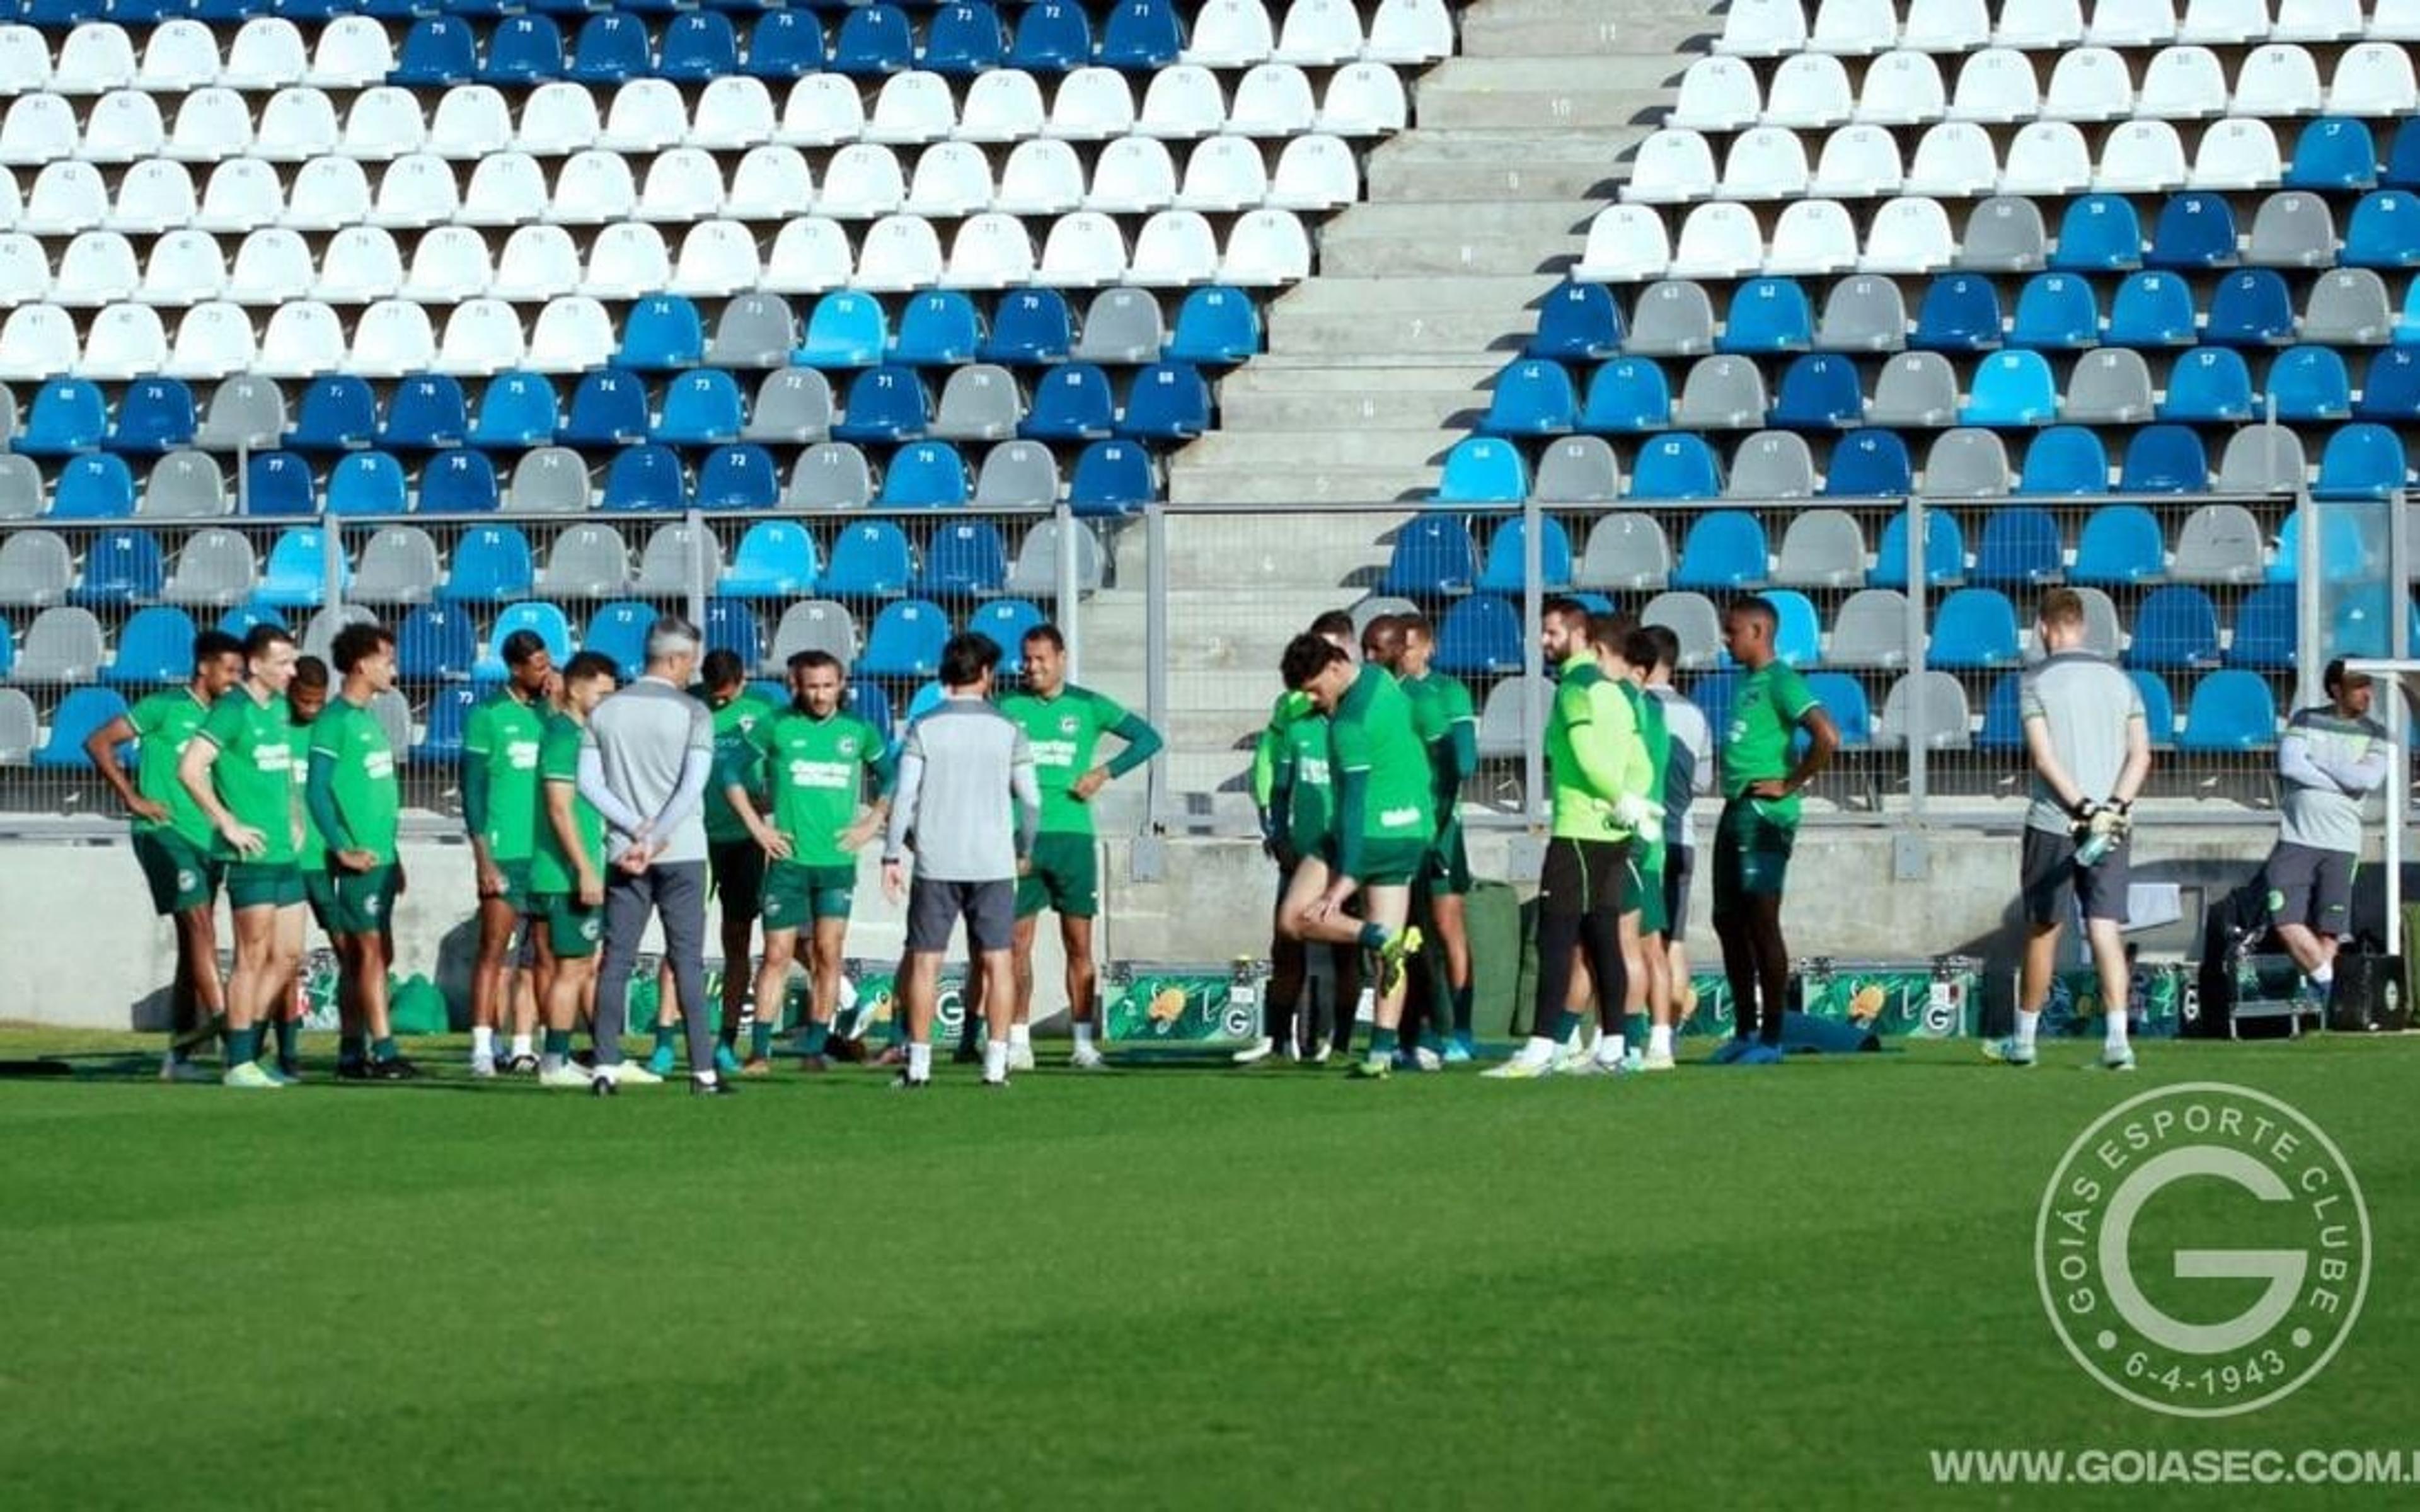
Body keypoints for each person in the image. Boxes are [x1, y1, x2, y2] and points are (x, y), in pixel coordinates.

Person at [1485, 600, 1656, 1080]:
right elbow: (1641, 760)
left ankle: (1539, 1050)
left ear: (1582, 637)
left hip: (1579, 831)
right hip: (1614, 835)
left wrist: (1615, 796)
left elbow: (1582, 754)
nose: (1544, 640)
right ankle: (1616, 1047)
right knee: (1604, 937)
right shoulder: (1620, 694)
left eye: (1553, 632)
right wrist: (1634, 803)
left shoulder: (1575, 687)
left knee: (1556, 940)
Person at [1991, 589, 2153, 1071]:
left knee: (2045, 929)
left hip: (2055, 821)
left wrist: (2082, 808)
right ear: (2083, 626)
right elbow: (2141, 755)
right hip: (2113, 824)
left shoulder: (2035, 681)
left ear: (2044, 627)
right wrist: (2113, 808)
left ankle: (2024, 1041)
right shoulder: (2122, 680)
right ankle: (2118, 1043)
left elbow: (2044, 758)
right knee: (2105, 927)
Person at [998, 623, 1162, 1071]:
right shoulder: (1006, 707)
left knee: (1080, 945)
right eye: (1026, 659)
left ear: (1061, 658)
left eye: (1040, 659)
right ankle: (1018, 1041)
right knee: (1016, 944)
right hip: (1021, 833)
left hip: (1073, 836)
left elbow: (1149, 739)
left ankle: (1084, 1044)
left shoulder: (1088, 705)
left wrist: (1103, 774)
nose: (1031, 667)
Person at [882, 633, 1040, 1089]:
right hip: (993, 862)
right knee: (998, 961)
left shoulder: (925, 726)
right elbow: (1030, 801)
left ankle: (918, 1066)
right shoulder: (1009, 728)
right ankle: (996, 1064)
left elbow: (905, 796)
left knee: (926, 961)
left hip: (936, 860)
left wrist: (892, 854)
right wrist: (1023, 849)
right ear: (987, 674)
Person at [85, 629, 244, 1082]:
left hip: (208, 840)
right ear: (204, 669)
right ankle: (232, 1037)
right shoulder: (164, 708)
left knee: (193, 944)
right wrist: (132, 797)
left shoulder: (226, 720)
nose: (234, 679)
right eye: (228, 671)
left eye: (239, 672)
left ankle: (179, 1057)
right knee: (199, 927)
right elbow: (98, 742)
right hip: (163, 833)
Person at [578, 616, 728, 1094]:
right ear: (676, 659)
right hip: (680, 850)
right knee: (686, 960)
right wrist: (656, 835)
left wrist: (632, 829)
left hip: (624, 851)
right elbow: (691, 788)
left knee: (616, 960)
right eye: (691, 663)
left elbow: (588, 784)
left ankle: (604, 1066)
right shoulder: (693, 712)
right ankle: (703, 1072)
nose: (693, 672)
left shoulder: (605, 710)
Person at [725, 649, 894, 1075]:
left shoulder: (859, 731)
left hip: (836, 863)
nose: (820, 695)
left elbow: (894, 776)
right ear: (797, 685)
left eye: (827, 685)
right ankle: (760, 1053)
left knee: (828, 952)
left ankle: (815, 1049)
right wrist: (758, 828)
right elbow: (730, 771)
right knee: (777, 955)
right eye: (812, 686)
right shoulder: (777, 725)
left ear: (841, 685)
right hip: (788, 862)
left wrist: (872, 822)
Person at [1274, 632, 1427, 1079]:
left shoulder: (1347, 727)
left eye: (1314, 687)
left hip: (1361, 837)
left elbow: (1356, 805)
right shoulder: (1381, 680)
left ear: (1337, 667)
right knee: (1392, 958)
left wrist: (1343, 884)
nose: (1311, 698)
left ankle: (1378, 937)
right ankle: (1380, 1052)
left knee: (1296, 918)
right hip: (1410, 830)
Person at [176, 625, 308, 1089]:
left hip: (283, 855)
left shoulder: (277, 711)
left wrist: (294, 816)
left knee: (290, 955)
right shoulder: (232, 711)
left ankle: (247, 1047)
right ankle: (238, 1062)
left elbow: (284, 774)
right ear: (256, 666)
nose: (293, 671)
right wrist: (225, 822)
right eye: (284, 663)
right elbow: (190, 768)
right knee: (251, 957)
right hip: (249, 858)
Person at [1708, 597, 1838, 1067]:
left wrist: (1789, 783)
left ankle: (1773, 1036)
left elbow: (1827, 736)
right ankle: (1744, 1030)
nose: (1727, 638)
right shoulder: (1746, 681)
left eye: (1733, 630)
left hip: (1764, 816)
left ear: (1760, 632)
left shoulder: (1783, 680)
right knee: (1727, 921)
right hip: (1736, 806)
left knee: (1762, 921)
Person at [1236, 611, 1361, 1065]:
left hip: (1349, 856)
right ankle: (1276, 1041)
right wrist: (1279, 834)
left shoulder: (1357, 725)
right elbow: (1282, 785)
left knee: (1348, 955)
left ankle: (1342, 1043)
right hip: (1304, 855)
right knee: (1286, 945)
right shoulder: (1299, 726)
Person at [306, 623, 417, 1083]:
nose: (393, 668)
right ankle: (384, 1051)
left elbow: (373, 797)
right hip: (361, 861)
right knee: (368, 952)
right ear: (361, 664)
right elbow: (316, 791)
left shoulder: (367, 719)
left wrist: (396, 855)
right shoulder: (334, 721)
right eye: (387, 660)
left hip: (382, 859)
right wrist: (342, 848)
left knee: (368, 956)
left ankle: (352, 1052)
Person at [2267, 660, 2390, 1002]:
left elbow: (2366, 779)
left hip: (2342, 842)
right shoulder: (2306, 719)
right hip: (2297, 837)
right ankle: (2333, 989)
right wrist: (2342, 780)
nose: (2367, 694)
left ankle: (2325, 1002)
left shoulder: (2376, 732)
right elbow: (2291, 764)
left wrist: (2318, 761)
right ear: (2337, 689)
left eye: (2370, 686)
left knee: (2330, 929)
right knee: (2285, 917)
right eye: (2359, 686)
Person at [680, 649, 777, 1077]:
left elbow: (784, 770)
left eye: (728, 695)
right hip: (694, 840)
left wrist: (767, 804)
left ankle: (727, 1038)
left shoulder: (763, 710)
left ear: (743, 679)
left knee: (737, 939)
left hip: (744, 841)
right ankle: (668, 1041)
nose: (720, 704)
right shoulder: (688, 707)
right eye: (714, 696)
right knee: (681, 941)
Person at [461, 629, 553, 1077]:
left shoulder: (551, 716)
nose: (547, 671)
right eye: (539, 665)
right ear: (516, 669)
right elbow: (472, 789)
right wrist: (483, 856)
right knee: (495, 950)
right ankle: (482, 1044)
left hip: (545, 856)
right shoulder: (489, 716)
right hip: (504, 851)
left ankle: (523, 1044)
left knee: (539, 954)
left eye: (548, 662)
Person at [531, 653, 618, 1090]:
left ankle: (568, 1056)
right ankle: (554, 1061)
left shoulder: (575, 735)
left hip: (572, 869)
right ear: (577, 688)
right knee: (573, 967)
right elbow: (560, 809)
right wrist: (585, 869)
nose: (607, 702)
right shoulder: (565, 739)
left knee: (583, 965)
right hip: (565, 873)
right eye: (602, 694)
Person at [1396, 613, 1478, 1060]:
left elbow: (1463, 761)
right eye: (1399, 647)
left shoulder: (1448, 692)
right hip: (1400, 828)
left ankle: (1461, 1027)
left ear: (1428, 648)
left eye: (1411, 647)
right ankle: (1418, 1026)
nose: (1404, 655)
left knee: (1447, 926)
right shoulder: (1389, 696)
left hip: (1441, 828)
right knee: (1407, 930)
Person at [1642, 624, 1710, 1070]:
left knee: (1640, 939)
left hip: (1645, 839)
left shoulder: (1636, 709)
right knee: (1675, 941)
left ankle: (1638, 1033)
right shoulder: (1694, 714)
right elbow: (1703, 782)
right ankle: (1668, 1034)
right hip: (1683, 837)